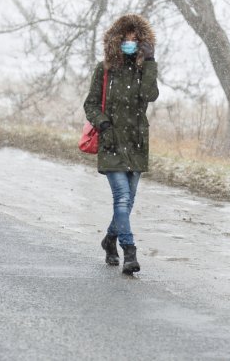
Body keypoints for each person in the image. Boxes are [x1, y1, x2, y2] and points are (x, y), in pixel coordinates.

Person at [83, 14, 159, 275]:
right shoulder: (104, 70)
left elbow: (150, 95)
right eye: (125, 39)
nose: (130, 44)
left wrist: (149, 62)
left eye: (135, 40)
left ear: (142, 43)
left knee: (128, 203)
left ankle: (109, 240)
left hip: (136, 144)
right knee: (122, 198)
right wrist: (103, 124)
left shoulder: (143, 70)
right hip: (112, 143)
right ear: (116, 41)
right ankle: (130, 251)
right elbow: (90, 104)